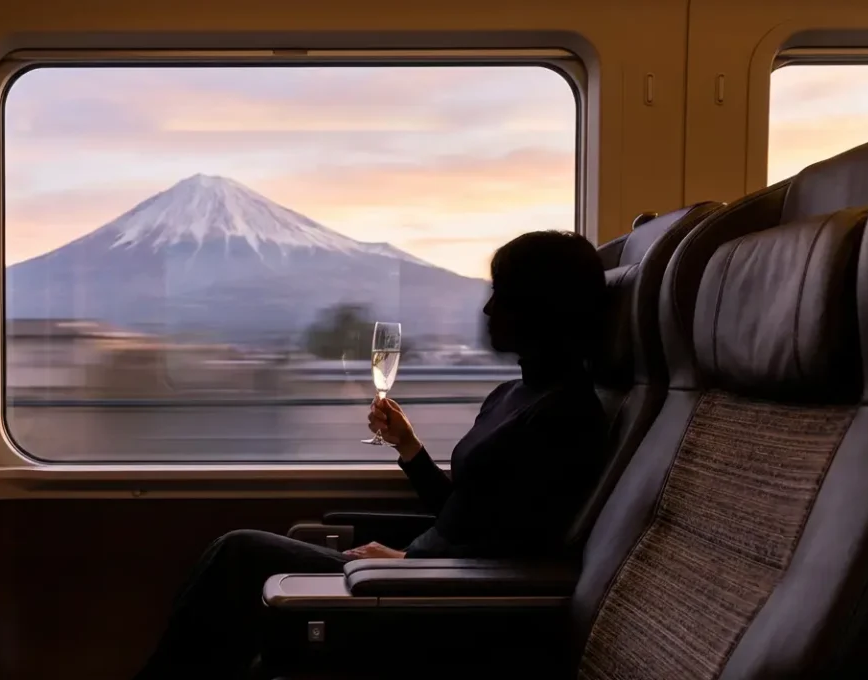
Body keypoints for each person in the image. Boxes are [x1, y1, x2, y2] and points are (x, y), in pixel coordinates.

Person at [133, 230, 609, 679]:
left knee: (239, 553)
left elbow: (522, 549)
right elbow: (465, 512)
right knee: (239, 583)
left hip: (436, 601)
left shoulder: (566, 414)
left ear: (544, 308)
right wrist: (409, 447)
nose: (487, 309)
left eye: (503, 295)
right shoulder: (512, 394)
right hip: (422, 575)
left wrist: (407, 562)